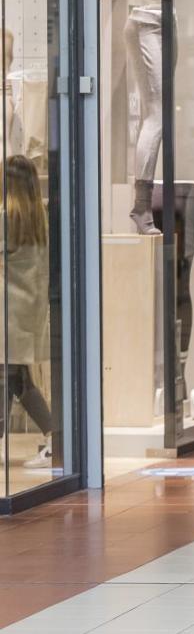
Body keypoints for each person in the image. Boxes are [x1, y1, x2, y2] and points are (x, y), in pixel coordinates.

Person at [0, 155, 53, 468]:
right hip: (30, 310)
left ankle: (52, 436)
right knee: (13, 376)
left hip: (7, 311)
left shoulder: (6, 217)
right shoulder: (40, 217)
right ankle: (51, 436)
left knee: (14, 377)